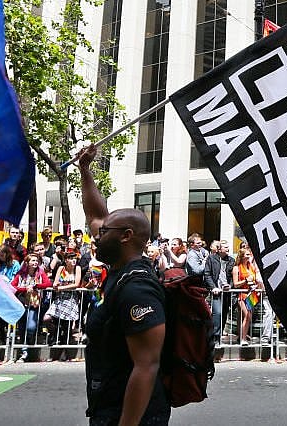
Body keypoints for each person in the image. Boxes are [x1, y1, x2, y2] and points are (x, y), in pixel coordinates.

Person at [78, 145, 169, 425]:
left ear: (126, 236)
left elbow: (146, 366)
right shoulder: (120, 271)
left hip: (131, 417)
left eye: (104, 232)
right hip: (107, 406)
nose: (96, 235)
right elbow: (95, 216)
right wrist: (85, 170)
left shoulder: (137, 288)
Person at [11, 254, 52, 362]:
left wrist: (35, 286)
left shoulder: (40, 272)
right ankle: (24, 352)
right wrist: (24, 289)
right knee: (22, 328)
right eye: (33, 260)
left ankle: (30, 344)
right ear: (27, 263)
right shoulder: (21, 274)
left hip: (34, 304)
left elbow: (48, 283)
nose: (35, 262)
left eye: (36, 260)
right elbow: (13, 286)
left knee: (31, 327)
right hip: (21, 303)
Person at [232, 247, 273, 346]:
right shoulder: (236, 268)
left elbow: (255, 280)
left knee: (248, 316)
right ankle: (242, 339)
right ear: (242, 256)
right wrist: (246, 280)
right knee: (247, 315)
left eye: (249, 254)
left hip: (252, 294)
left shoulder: (251, 267)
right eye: (247, 254)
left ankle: (243, 336)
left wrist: (257, 287)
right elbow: (235, 284)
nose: (249, 256)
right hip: (242, 294)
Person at [203, 240, 231, 345]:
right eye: (225, 247)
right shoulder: (211, 258)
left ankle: (219, 337)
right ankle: (215, 337)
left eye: (228, 247)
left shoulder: (231, 260)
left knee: (224, 313)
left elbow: (232, 275)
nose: (228, 249)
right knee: (217, 312)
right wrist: (213, 287)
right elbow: (207, 274)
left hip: (227, 292)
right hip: (216, 291)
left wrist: (230, 285)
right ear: (219, 249)